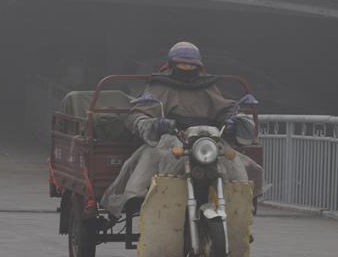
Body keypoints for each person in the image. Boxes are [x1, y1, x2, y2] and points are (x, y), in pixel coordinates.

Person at [100, 42, 262, 217]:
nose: (187, 67)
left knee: (235, 161)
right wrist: (155, 124)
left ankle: (242, 201)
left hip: (206, 140)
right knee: (152, 157)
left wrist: (231, 121)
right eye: (183, 64)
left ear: (198, 66)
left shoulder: (207, 86)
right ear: (172, 64)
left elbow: (223, 108)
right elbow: (138, 115)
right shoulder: (159, 86)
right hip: (171, 138)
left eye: (191, 64)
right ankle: (137, 196)